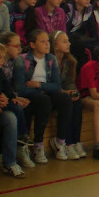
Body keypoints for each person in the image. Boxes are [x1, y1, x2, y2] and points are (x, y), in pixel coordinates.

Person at [13, 29, 73, 163]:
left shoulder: (51, 59)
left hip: (45, 92)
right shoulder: (22, 60)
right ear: (32, 45)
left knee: (65, 99)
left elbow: (56, 86)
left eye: (47, 41)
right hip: (31, 97)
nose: (47, 44)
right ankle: (38, 145)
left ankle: (60, 141)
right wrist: (41, 90)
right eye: (42, 41)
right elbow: (20, 89)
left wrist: (38, 85)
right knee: (44, 100)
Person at [49, 30, 86, 160]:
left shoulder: (69, 61)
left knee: (77, 102)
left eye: (68, 41)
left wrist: (74, 92)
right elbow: (49, 84)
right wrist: (66, 92)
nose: (69, 44)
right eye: (65, 41)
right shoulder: (49, 61)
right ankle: (66, 142)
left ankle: (76, 141)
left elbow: (70, 82)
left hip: (64, 93)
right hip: (52, 95)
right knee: (67, 101)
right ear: (55, 45)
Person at [0, 41, 26, 178]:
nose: (2, 60)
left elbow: (6, 87)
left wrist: (9, 98)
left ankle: (10, 163)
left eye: (3, 57)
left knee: (11, 118)